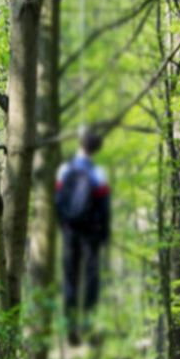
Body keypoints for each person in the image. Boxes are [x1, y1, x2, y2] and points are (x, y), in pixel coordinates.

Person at [55, 130, 111, 346]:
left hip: (70, 231)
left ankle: (71, 329)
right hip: (91, 234)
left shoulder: (64, 170)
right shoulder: (98, 174)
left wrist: (65, 226)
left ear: (80, 144)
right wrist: (104, 234)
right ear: (95, 149)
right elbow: (104, 207)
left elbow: (58, 202)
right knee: (90, 282)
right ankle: (88, 328)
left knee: (70, 279)